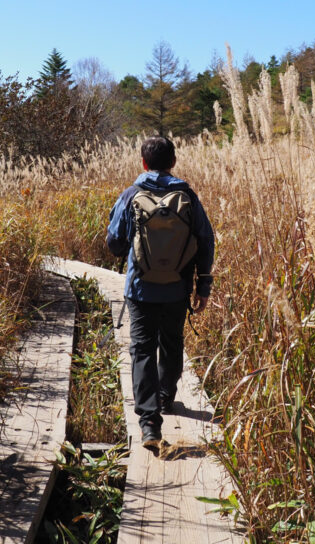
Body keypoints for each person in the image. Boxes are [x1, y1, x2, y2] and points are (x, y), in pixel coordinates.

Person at [106, 135, 215, 451]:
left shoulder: (131, 195)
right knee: (171, 342)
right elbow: (206, 241)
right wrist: (202, 285)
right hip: (177, 288)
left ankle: (150, 424)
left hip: (140, 289)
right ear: (174, 162)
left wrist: (135, 244)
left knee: (142, 348)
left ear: (143, 162)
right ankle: (167, 396)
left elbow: (114, 245)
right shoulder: (189, 197)